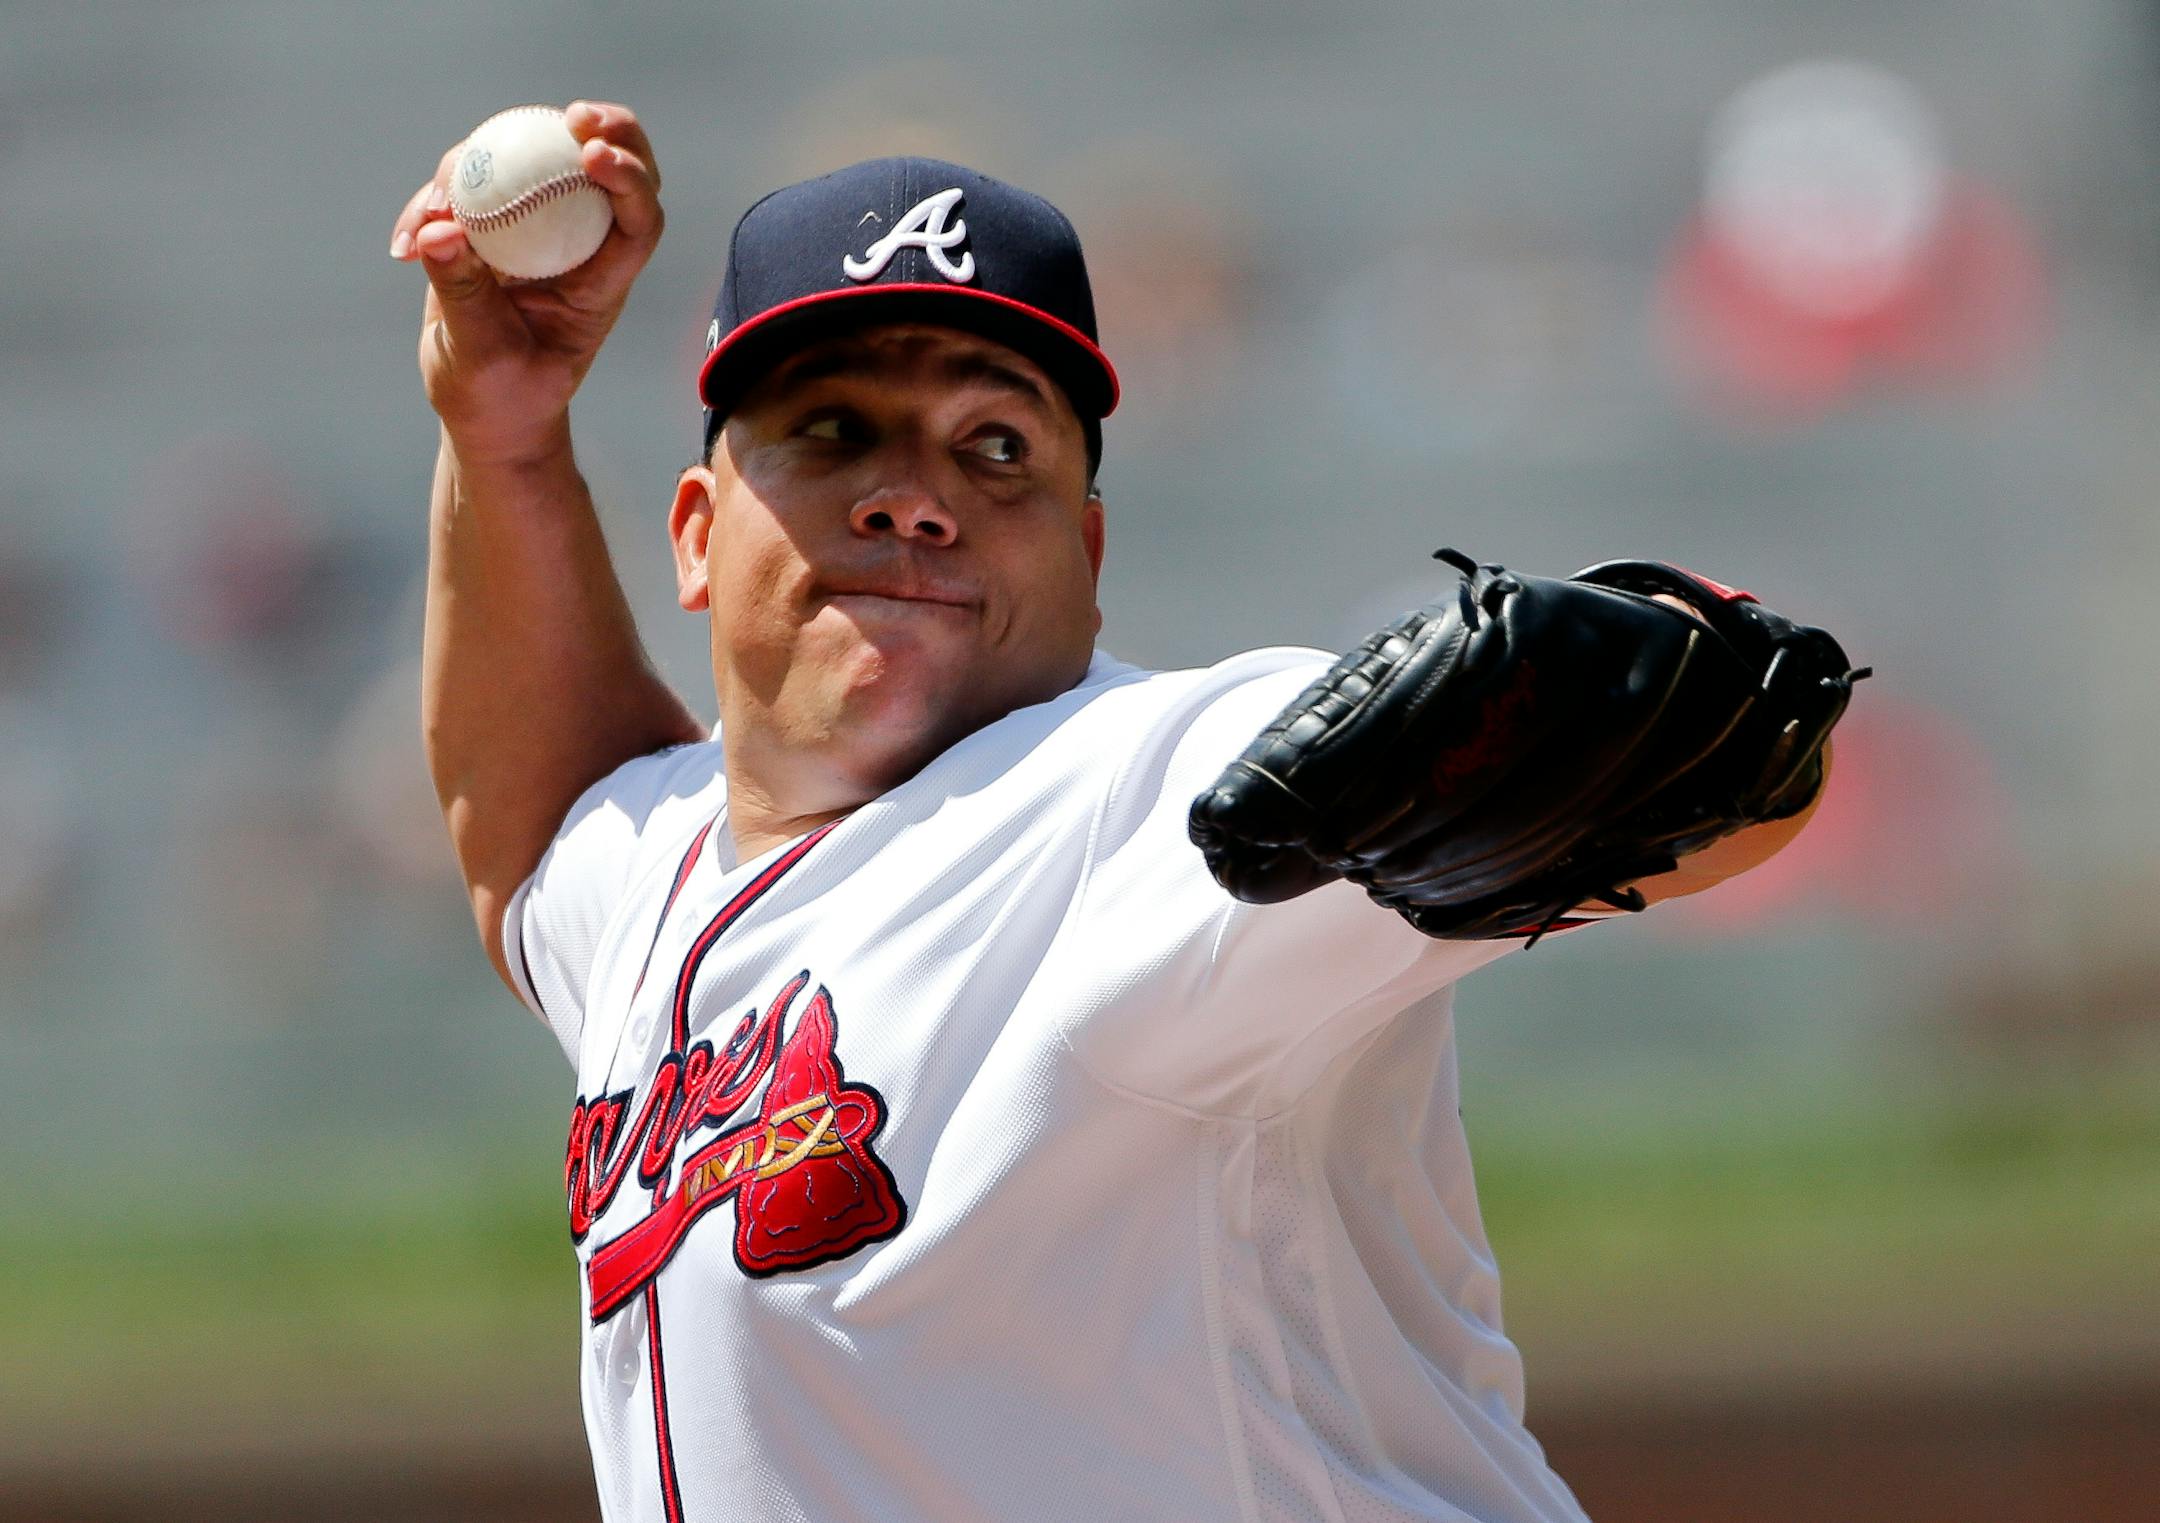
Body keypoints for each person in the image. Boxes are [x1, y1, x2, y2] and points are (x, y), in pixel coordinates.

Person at [392, 102, 1834, 1523]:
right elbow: (527, 819)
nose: (915, 496)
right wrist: (504, 427)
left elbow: (1735, 782)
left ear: (1089, 554)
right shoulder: (648, 869)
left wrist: (1682, 698)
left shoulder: (1143, 796)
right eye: (836, 431)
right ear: (701, 535)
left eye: (997, 446)